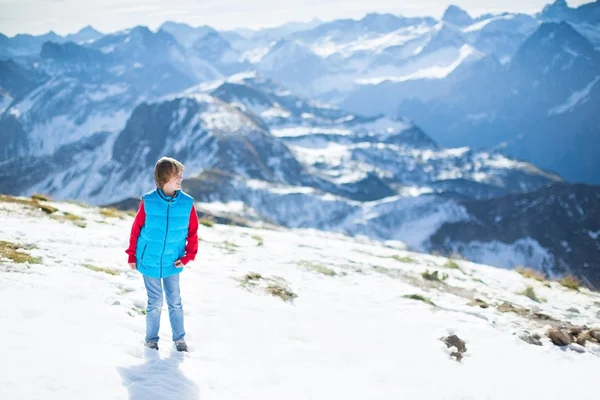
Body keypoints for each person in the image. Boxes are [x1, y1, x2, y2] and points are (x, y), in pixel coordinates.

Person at [125, 157, 199, 352]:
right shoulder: (148, 201)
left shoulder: (186, 203)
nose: (181, 177)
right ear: (165, 177)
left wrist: (187, 257)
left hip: (173, 261)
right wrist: (132, 254)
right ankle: (151, 340)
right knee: (155, 301)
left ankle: (179, 339)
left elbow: (192, 233)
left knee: (175, 301)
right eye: (177, 174)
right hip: (148, 259)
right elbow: (137, 229)